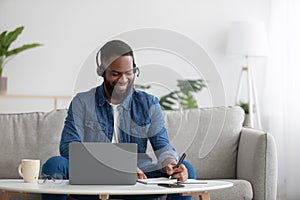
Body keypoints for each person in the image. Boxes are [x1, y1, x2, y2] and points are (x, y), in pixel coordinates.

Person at [41, 40, 196, 200]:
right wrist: (119, 166)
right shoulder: (82, 102)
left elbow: (162, 145)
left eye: (129, 73)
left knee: (187, 171)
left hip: (137, 181)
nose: (123, 79)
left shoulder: (149, 103)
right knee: (54, 165)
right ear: (102, 71)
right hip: (93, 178)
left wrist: (170, 164)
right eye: (116, 74)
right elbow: (68, 147)